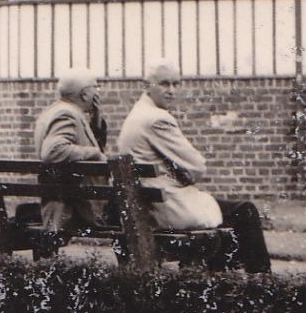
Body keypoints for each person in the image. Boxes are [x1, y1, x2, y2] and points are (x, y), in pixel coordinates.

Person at [116, 62, 272, 273]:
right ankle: (262, 283)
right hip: (168, 209)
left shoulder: (136, 115)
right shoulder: (157, 119)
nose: (171, 90)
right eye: (164, 84)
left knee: (232, 216)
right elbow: (197, 167)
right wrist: (182, 175)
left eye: (175, 84)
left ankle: (220, 280)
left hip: (149, 205)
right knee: (245, 211)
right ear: (147, 85)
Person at [33, 67, 111, 233]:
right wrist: (95, 154)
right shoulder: (66, 114)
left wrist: (96, 119)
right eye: (95, 87)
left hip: (64, 201)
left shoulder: (54, 111)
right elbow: (53, 151)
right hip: (76, 208)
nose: (97, 92)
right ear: (84, 94)